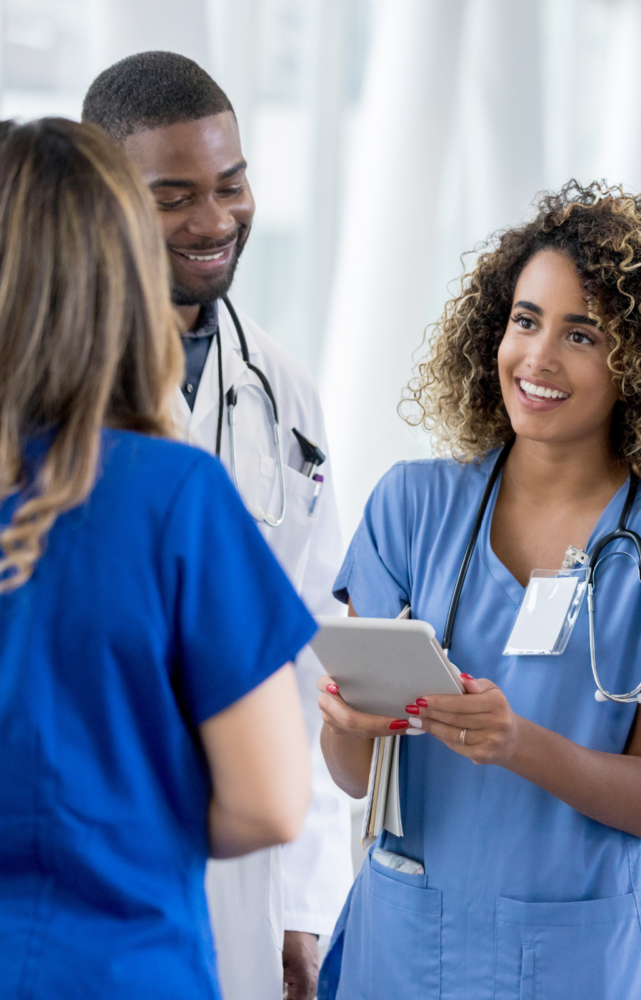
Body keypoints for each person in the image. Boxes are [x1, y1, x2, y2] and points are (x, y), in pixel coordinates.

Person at [315, 182, 641, 999]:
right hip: (408, 943)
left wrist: (515, 742)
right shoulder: (411, 506)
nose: (539, 360)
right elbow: (353, 775)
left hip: (581, 959)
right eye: (526, 320)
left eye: (582, 334)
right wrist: (348, 725)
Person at [0, 118, 315, 1000]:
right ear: (122, 272)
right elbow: (269, 799)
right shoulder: (173, 496)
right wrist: (116, 816)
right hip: (119, 967)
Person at [81, 52, 352, 1000]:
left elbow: (309, 658)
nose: (214, 220)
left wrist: (305, 900)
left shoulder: (283, 388)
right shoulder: (47, 398)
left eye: (231, 185)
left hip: (246, 869)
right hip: (91, 851)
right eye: (174, 195)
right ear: (106, 199)